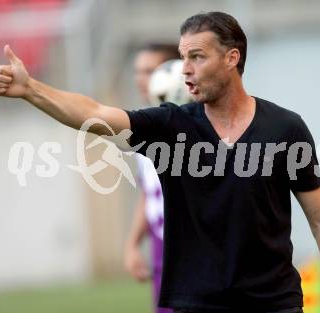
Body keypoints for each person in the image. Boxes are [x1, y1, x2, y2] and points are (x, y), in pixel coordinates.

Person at [0, 11, 320, 313]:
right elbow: (94, 113)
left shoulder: (285, 128)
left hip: (274, 303)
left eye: (197, 57)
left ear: (232, 58)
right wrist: (32, 90)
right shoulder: (170, 126)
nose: (184, 69)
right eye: (183, 57)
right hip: (195, 303)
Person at [125, 43, 179, 313]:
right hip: (161, 247)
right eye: (138, 71)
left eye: (149, 71)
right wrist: (134, 244)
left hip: (193, 247)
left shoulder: (190, 123)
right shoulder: (142, 124)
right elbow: (149, 192)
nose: (140, 79)